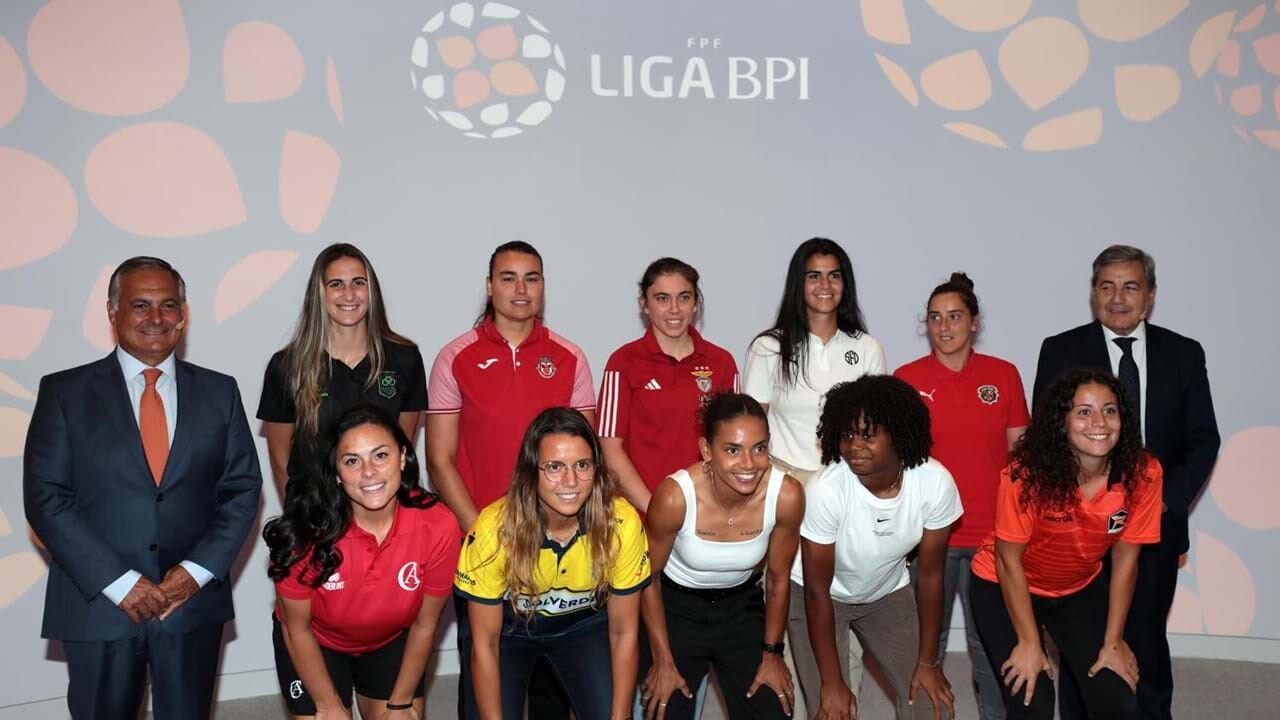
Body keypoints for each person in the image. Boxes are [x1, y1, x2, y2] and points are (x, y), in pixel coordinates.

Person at [23, 256, 263, 719]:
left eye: (168, 305)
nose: (156, 319)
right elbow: (46, 498)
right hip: (99, 604)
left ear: (184, 314)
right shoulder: (64, 393)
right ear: (112, 312)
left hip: (189, 606)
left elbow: (242, 491)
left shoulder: (220, 392)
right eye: (140, 305)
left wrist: (192, 575)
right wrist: (121, 583)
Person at [1033, 246, 1219, 720]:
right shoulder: (1061, 349)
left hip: (1154, 529)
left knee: (1147, 646)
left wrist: (1163, 502)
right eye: (1107, 286)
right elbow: (1047, 438)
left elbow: (1203, 441)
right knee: (1084, 650)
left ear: (1150, 295)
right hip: (1080, 534)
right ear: (1093, 293)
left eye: (1130, 286)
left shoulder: (1184, 353)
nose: (1118, 298)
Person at [426, 240, 596, 718]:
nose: (521, 289)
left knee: (551, 692)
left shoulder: (570, 356)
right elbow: (439, 459)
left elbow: (584, 459)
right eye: (508, 277)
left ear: (543, 286)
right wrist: (484, 532)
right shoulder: (454, 357)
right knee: (485, 691)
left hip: (557, 545)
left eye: (532, 278)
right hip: (485, 545)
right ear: (489, 286)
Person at [969, 369, 1163, 720]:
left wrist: (1114, 640)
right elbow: (1007, 560)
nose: (1099, 422)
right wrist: (1030, 643)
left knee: (1117, 696)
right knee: (1033, 698)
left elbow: (1126, 562)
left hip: (1078, 589)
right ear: (1063, 421)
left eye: (1110, 410)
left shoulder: (1143, 474)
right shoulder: (1025, 475)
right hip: (1004, 584)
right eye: (1084, 412)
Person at [744, 237, 887, 712]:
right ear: (797, 283)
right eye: (813, 275)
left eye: (834, 275)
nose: (824, 285)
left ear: (845, 283)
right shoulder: (770, 346)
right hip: (785, 492)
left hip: (846, 492)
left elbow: (876, 432)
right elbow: (752, 428)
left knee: (839, 604)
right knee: (781, 606)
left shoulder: (865, 348)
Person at [264, 405, 460, 719]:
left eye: (380, 455)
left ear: (402, 457)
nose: (368, 472)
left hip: (390, 640)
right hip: (316, 642)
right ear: (338, 475)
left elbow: (425, 625)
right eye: (352, 461)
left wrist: (400, 704)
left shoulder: (439, 525)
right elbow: (296, 629)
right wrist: (329, 707)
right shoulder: (305, 531)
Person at [454, 407, 649, 720]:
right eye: (554, 467)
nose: (570, 481)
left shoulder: (622, 521)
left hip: (583, 625)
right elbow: (485, 644)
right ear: (531, 471)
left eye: (582, 465)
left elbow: (624, 632)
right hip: (508, 632)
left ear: (597, 469)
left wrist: (620, 717)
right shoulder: (493, 528)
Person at [894, 272, 1029, 720]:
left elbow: (1021, 461)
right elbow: (895, 464)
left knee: (990, 646)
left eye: (955, 316)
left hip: (992, 541)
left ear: (975, 322)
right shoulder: (905, 379)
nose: (945, 326)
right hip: (927, 539)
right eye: (935, 318)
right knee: (921, 650)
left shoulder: (1003, 375)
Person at [790, 376, 960, 720]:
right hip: (819, 597)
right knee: (831, 711)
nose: (854, 446)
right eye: (847, 435)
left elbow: (929, 576)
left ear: (898, 433)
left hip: (886, 594)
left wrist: (929, 661)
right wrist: (832, 682)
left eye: (868, 435)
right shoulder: (827, 490)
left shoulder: (934, 482)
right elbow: (817, 593)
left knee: (931, 704)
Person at [638, 393, 805, 720]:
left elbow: (778, 579)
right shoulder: (675, 496)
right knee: (664, 709)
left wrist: (773, 653)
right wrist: (662, 660)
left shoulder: (786, 495)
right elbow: (648, 578)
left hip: (740, 610)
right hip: (675, 611)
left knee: (774, 709)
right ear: (706, 450)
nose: (749, 464)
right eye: (732, 450)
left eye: (759, 448)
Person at [258, 243, 428, 498]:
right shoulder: (286, 366)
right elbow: (281, 459)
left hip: (382, 513)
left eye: (358, 282)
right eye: (336, 284)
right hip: (316, 518)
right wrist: (301, 520)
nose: (349, 294)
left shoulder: (405, 358)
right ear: (319, 294)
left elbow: (400, 449)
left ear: (371, 291)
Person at [597, 257, 740, 514]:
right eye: (662, 298)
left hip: (708, 516)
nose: (674, 309)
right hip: (642, 515)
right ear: (644, 304)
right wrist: (657, 511)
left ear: (695, 303)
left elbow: (735, 445)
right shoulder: (623, 362)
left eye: (684, 297)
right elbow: (609, 448)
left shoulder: (722, 362)